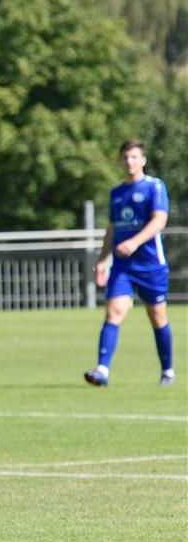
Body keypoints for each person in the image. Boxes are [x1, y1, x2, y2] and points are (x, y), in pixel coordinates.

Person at [85, 139, 174, 387]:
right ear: (120, 161)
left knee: (157, 316)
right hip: (123, 267)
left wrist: (134, 242)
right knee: (114, 312)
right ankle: (102, 370)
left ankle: (167, 371)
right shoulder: (117, 193)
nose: (129, 162)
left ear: (143, 160)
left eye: (134, 157)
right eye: (125, 157)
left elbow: (159, 221)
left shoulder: (154, 187)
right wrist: (102, 260)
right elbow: (112, 230)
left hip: (151, 265)